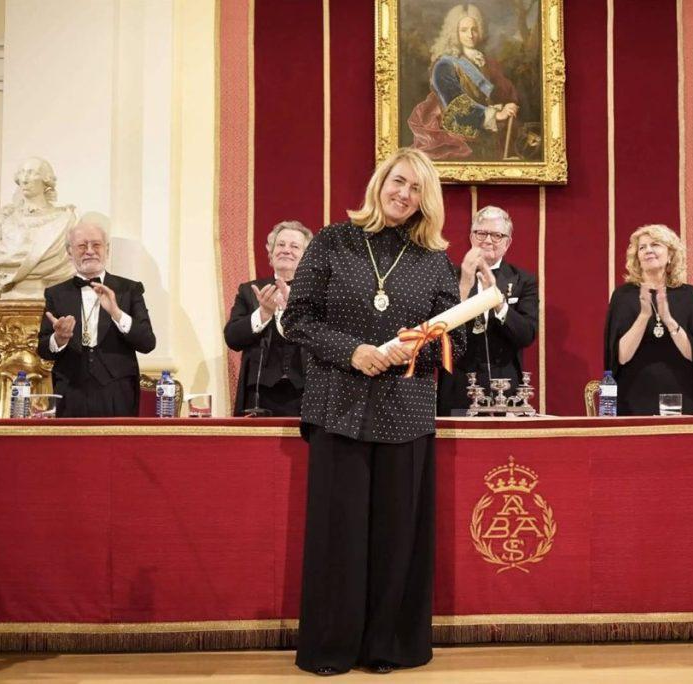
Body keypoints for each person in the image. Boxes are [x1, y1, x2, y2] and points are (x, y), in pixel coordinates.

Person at [280, 148, 466, 676]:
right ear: (380, 181)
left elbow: (449, 345)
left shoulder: (434, 262)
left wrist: (417, 348)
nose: (404, 195)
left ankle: (388, 646)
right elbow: (298, 320)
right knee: (338, 536)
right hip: (337, 405)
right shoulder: (333, 241)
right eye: (399, 182)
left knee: (395, 537)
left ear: (426, 203)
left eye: (416, 191)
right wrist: (353, 351)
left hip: (404, 413)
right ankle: (332, 648)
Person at [37, 216, 156, 417]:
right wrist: (59, 339)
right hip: (70, 392)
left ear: (107, 250)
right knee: (71, 449)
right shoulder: (55, 294)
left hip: (118, 392)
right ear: (69, 252)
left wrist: (117, 314)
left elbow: (147, 343)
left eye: (96, 245)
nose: (89, 251)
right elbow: (43, 350)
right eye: (82, 246)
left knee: (116, 449)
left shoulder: (129, 289)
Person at [437, 205, 537, 415]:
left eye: (497, 235)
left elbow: (526, 334)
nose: (488, 240)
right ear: (472, 237)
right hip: (458, 384)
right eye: (481, 233)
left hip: (507, 389)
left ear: (507, 242)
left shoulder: (523, 280)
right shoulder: (449, 277)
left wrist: (497, 299)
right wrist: (465, 283)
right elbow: (440, 331)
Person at [603, 224, 693, 415]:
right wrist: (643, 317)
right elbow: (621, 357)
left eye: (655, 244)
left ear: (670, 255)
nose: (648, 250)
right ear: (637, 259)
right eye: (642, 247)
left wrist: (668, 319)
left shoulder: (688, 295)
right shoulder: (623, 296)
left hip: (681, 396)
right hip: (633, 398)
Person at [407, 3, 520, 161]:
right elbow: (457, 107)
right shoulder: (444, 65)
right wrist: (497, 115)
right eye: (464, 30)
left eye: (474, 29)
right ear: (454, 32)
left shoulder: (485, 62)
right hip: (457, 143)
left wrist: (507, 104)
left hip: (488, 140)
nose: (470, 35)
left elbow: (500, 94)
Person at [224, 220, 312, 416]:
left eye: (294, 246)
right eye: (280, 245)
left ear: (305, 256)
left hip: (306, 391)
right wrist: (263, 313)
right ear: (271, 253)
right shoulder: (249, 291)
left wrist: (296, 312)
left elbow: (326, 338)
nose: (286, 250)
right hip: (259, 394)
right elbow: (232, 338)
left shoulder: (317, 293)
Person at [0, 157, 77, 299]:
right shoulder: (6, 220)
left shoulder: (64, 220)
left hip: (53, 296)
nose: (25, 179)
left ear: (46, 180)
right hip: (9, 300)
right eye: (22, 173)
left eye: (32, 173)